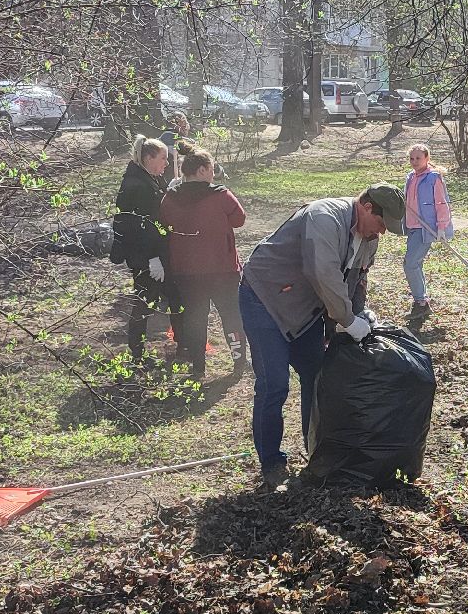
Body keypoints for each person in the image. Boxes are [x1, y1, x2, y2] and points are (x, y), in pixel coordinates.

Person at [238, 184, 406, 487]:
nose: (381, 232)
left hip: (305, 309)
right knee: (274, 384)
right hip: (265, 299)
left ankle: (316, 451)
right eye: (381, 223)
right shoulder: (324, 217)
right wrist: (347, 319)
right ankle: (272, 464)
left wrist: (356, 314)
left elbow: (357, 279)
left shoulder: (368, 238)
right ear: (367, 207)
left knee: (316, 376)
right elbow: (323, 273)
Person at [160, 144, 248, 380]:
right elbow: (239, 219)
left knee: (195, 317)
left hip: (187, 271)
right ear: (200, 170)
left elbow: (164, 225)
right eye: (210, 168)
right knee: (231, 315)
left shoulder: (169, 199)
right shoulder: (221, 195)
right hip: (223, 270)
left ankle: (198, 366)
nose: (213, 173)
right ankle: (239, 361)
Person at [110, 135, 176, 368]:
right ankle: (137, 352)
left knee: (160, 298)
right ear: (148, 158)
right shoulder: (138, 186)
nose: (166, 164)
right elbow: (143, 226)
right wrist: (153, 258)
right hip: (145, 257)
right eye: (163, 159)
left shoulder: (145, 179)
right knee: (144, 302)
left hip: (150, 254)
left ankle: (179, 343)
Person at [402, 144, 453, 322]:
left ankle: (421, 303)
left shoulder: (433, 178)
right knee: (415, 264)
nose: (414, 162)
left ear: (427, 158)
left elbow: (441, 203)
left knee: (411, 264)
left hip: (426, 228)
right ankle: (422, 300)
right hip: (412, 226)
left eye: (418, 158)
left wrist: (441, 227)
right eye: (412, 158)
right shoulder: (410, 177)